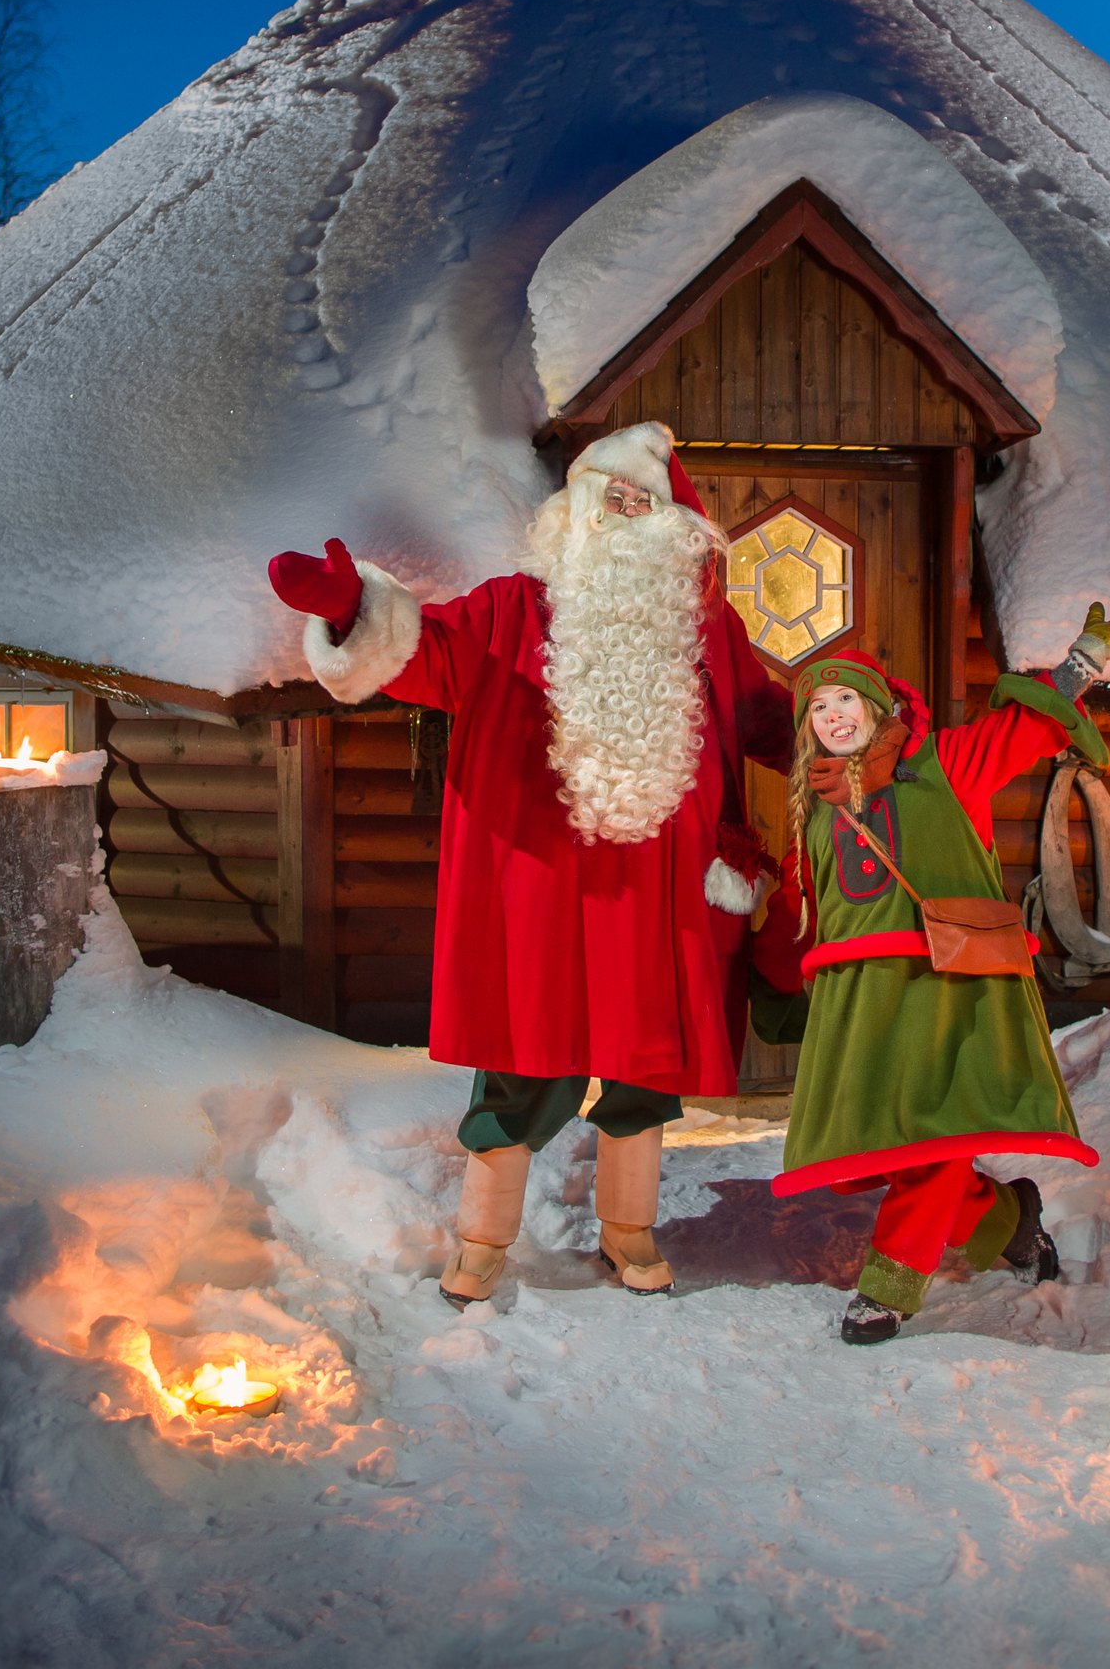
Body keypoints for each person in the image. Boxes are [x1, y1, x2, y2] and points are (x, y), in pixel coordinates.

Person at [268, 422, 792, 1305]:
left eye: (643, 503)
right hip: (536, 891)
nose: (626, 515)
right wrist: (350, 612)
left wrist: (859, 734)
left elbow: (768, 718)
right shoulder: (509, 609)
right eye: (610, 497)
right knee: (518, 1065)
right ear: (575, 512)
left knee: (646, 1071)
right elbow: (425, 654)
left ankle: (629, 1231)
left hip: (657, 897)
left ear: (674, 526)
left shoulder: (706, 631)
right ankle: (482, 1241)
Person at [751, 599, 1110, 1344]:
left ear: (877, 707)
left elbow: (1023, 727)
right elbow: (806, 907)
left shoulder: (943, 766)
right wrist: (771, 977)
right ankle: (1011, 1222)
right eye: (818, 708)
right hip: (866, 1005)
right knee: (898, 1149)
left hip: (946, 990)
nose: (833, 716)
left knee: (932, 1146)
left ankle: (890, 1288)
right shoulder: (815, 810)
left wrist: (1084, 659)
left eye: (846, 699)